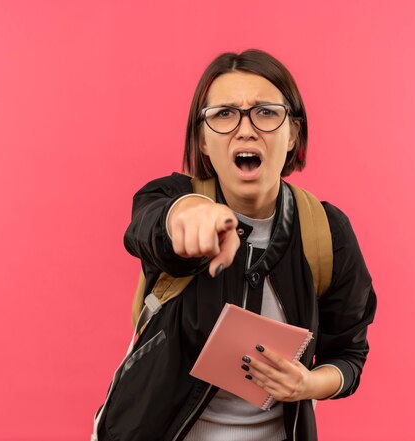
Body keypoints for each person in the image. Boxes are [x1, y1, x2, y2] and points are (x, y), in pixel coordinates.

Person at [96, 49, 377, 441]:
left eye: (265, 112)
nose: (246, 129)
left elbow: (349, 356)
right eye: (224, 114)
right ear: (203, 140)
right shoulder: (169, 197)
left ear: (292, 133)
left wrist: (307, 385)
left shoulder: (326, 231)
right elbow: (150, 228)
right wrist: (189, 215)